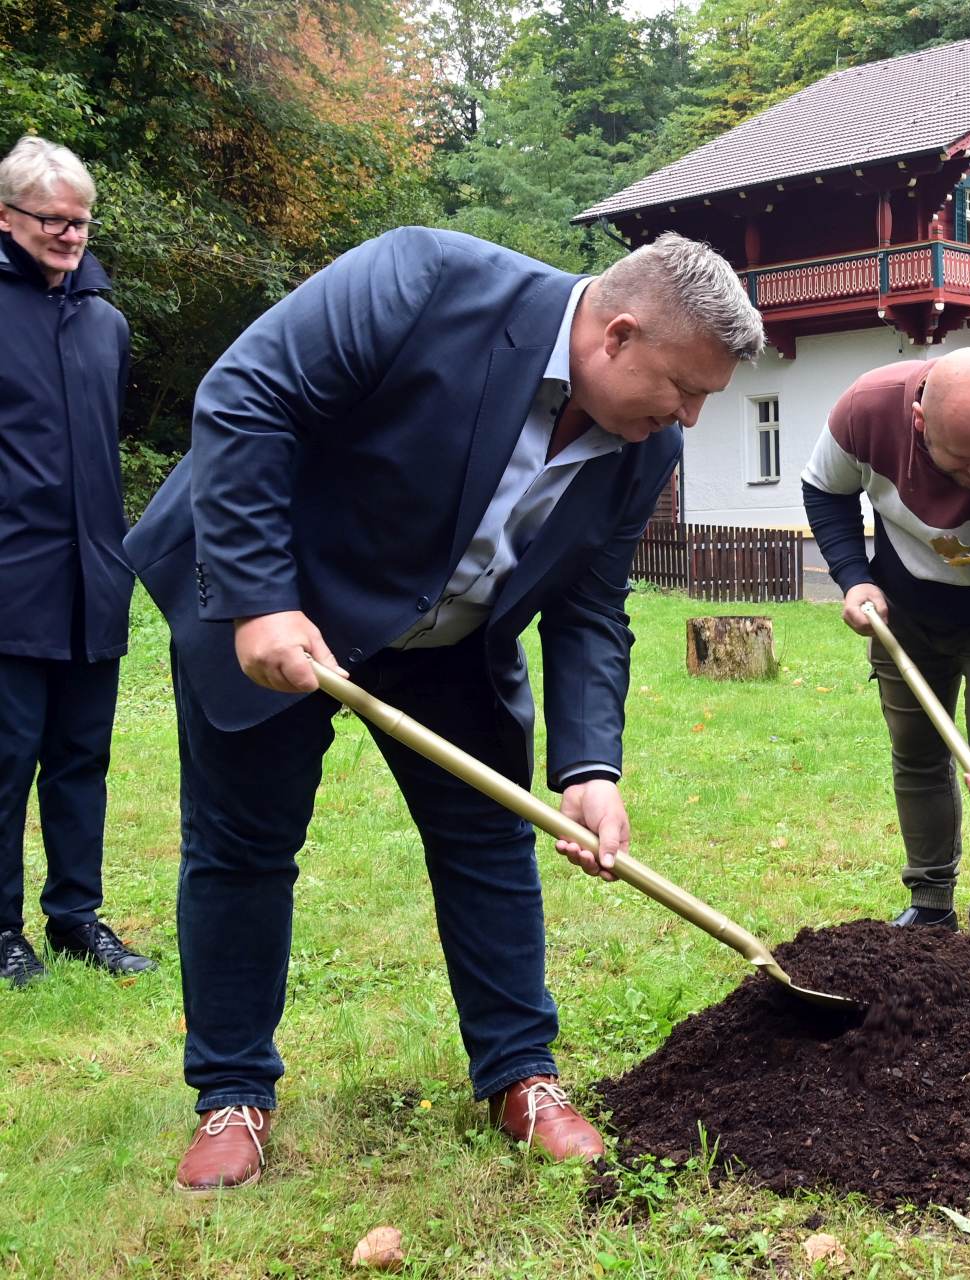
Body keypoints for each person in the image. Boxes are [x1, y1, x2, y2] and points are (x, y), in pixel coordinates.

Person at [124, 226, 761, 1192]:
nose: (692, 417)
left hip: (454, 633)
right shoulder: (422, 282)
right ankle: (233, 1093)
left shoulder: (645, 445)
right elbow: (246, 395)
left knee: (489, 839)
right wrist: (258, 598)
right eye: (685, 388)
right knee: (242, 845)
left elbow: (591, 604)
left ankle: (521, 1075)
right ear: (618, 335)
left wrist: (592, 767)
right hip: (289, 593)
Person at [801, 348, 970, 955]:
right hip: (903, 610)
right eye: (961, 459)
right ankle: (929, 905)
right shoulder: (866, 411)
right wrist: (853, 577)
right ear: (920, 422)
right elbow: (825, 489)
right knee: (917, 751)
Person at [0, 137, 153, 988]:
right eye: (54, 220)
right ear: (6, 216)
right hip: (9, 579)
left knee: (80, 759)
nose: (70, 234)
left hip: (94, 581)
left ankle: (74, 919)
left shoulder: (107, 324)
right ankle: (0, 931)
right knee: (4, 763)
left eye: (82, 221)